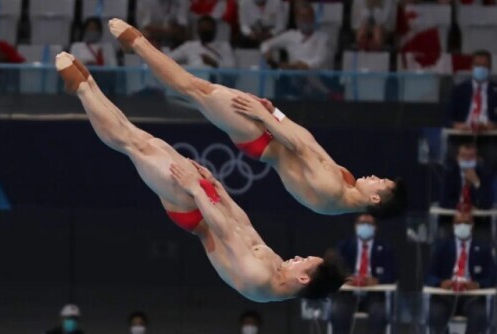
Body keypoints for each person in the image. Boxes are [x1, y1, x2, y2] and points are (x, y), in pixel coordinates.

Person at [55, 51, 346, 302]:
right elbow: (244, 226)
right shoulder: (277, 266)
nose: (298, 257)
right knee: (146, 140)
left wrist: (195, 188)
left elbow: (224, 232)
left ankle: (82, 89)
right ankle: (88, 84)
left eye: (304, 262)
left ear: (305, 279)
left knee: (134, 145)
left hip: (193, 210)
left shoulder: (260, 281)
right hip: (206, 200)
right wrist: (218, 188)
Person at [107, 18, 407, 219]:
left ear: (376, 199)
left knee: (194, 90)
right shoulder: (348, 184)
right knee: (198, 90)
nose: (375, 177)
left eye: (380, 183)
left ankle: (137, 44)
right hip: (269, 126)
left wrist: (264, 116)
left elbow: (299, 148)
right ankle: (139, 46)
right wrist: (275, 112)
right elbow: (307, 140)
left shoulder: (332, 191)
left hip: (261, 137)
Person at [425, 211, 496, 334]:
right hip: (447, 296)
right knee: (436, 313)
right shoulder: (441, 247)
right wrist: (440, 283)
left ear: (472, 225)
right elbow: (429, 276)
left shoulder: (484, 249)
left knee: (479, 314)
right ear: (453, 225)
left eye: (466, 223)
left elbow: (492, 278)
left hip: (472, 297)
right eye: (458, 223)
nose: (462, 225)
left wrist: (478, 285)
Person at [330, 214, 396, 334]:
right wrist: (347, 279)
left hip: (374, 295)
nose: (365, 226)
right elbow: (335, 271)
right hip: (349, 294)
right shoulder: (344, 247)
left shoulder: (386, 248)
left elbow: (392, 275)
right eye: (362, 223)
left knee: (379, 312)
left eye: (369, 223)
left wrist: (377, 281)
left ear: (375, 227)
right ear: (356, 226)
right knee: (338, 311)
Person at [447, 50, 497, 132]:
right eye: (477, 65)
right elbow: (446, 119)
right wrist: (456, 125)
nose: (481, 68)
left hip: (490, 135)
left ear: (490, 69)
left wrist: (494, 125)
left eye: (484, 66)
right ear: (471, 67)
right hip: (464, 133)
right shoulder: (459, 90)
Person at [440, 143, 494, 210]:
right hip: (453, 218)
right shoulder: (450, 175)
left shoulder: (484, 175)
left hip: (478, 219)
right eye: (463, 155)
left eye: (471, 156)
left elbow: (488, 203)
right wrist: (464, 207)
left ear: (477, 159)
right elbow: (444, 202)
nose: (467, 159)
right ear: (457, 158)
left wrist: (476, 183)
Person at [168, 16, 235, 69]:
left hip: (216, 83)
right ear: (198, 30)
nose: (205, 31)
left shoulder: (224, 46)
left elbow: (231, 68)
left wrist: (214, 64)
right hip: (194, 80)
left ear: (215, 30)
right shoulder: (189, 46)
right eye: (203, 29)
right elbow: (169, 59)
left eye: (208, 29)